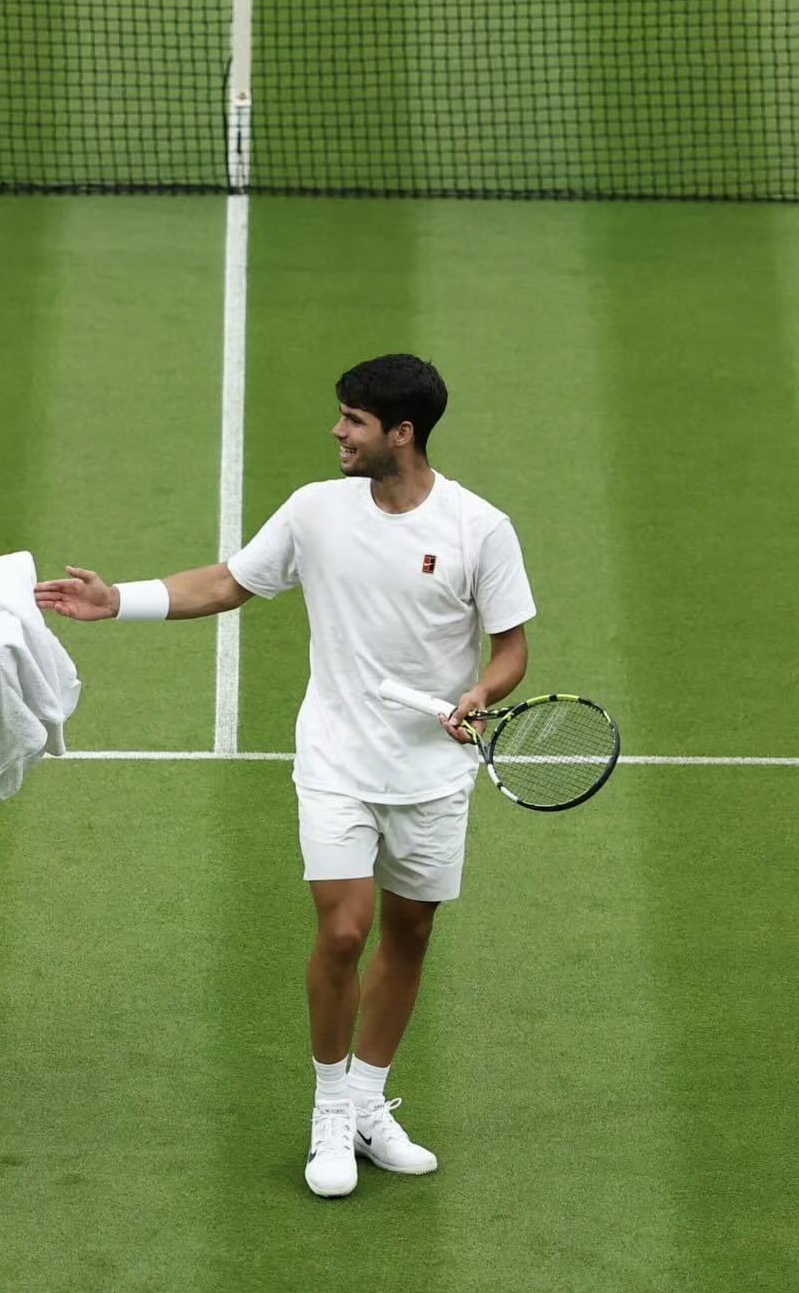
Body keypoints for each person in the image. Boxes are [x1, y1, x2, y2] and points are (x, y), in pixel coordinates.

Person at [35, 354, 535, 1199]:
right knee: (344, 932)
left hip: (432, 771)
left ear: (402, 433)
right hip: (337, 759)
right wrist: (120, 600)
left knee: (410, 935)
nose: (337, 432)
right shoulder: (315, 511)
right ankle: (330, 1110)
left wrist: (481, 693)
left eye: (354, 420)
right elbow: (228, 583)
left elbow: (512, 647)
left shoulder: (479, 529)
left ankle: (370, 1103)